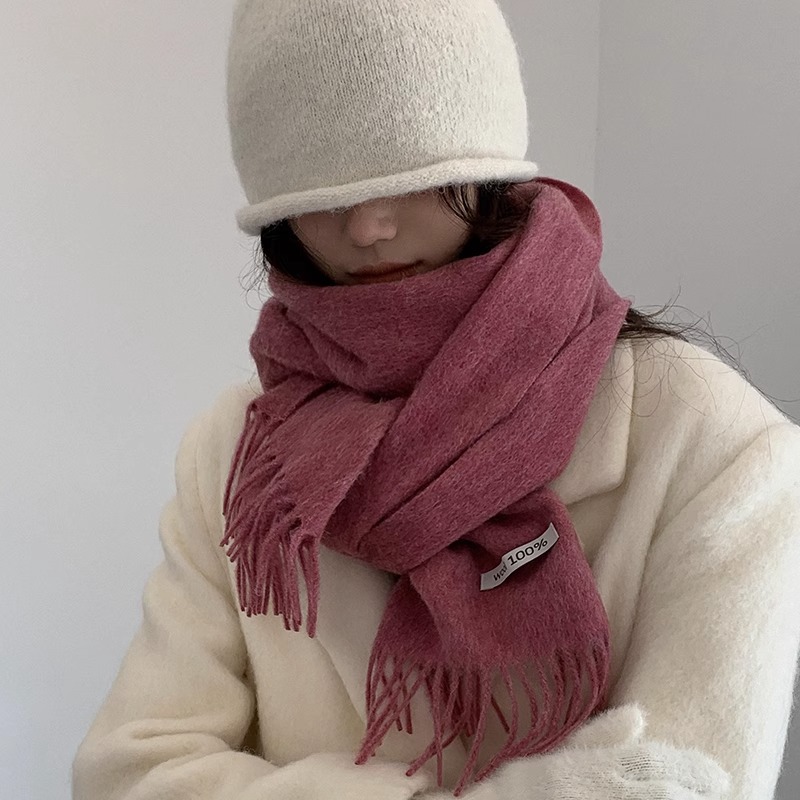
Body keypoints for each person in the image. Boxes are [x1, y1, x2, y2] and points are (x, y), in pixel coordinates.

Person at [71, 1, 800, 799]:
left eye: (411, 177)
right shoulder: (236, 456)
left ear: (486, 168)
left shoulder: (718, 448)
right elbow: (125, 773)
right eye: (318, 190)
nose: (368, 227)